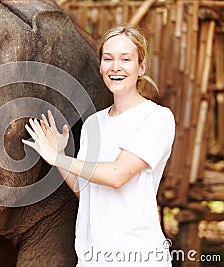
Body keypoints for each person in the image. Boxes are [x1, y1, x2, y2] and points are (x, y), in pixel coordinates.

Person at [22, 25, 175, 266]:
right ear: (101, 66)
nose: (116, 67)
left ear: (141, 67)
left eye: (126, 59)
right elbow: (87, 193)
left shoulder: (157, 118)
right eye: (108, 59)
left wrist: (59, 158)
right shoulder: (94, 123)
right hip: (92, 257)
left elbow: (117, 175)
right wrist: (61, 155)